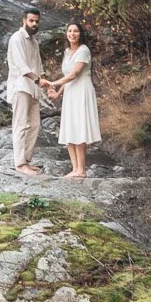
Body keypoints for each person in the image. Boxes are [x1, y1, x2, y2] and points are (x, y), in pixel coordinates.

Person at [44, 18, 101, 181]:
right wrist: (57, 93)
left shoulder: (83, 50)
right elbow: (67, 77)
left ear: (80, 34)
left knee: (80, 128)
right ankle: (74, 168)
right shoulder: (67, 52)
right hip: (70, 92)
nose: (72, 34)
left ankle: (81, 169)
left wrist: (53, 83)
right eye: (69, 31)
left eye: (75, 31)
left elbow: (75, 73)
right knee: (69, 128)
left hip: (82, 91)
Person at [5, 6, 47, 175]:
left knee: (35, 124)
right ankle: (19, 163)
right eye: (31, 21)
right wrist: (37, 79)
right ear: (24, 21)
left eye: (37, 21)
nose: (34, 24)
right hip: (21, 87)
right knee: (20, 124)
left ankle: (27, 160)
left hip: (33, 88)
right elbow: (22, 66)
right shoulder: (16, 39)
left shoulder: (34, 42)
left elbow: (39, 66)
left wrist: (46, 82)